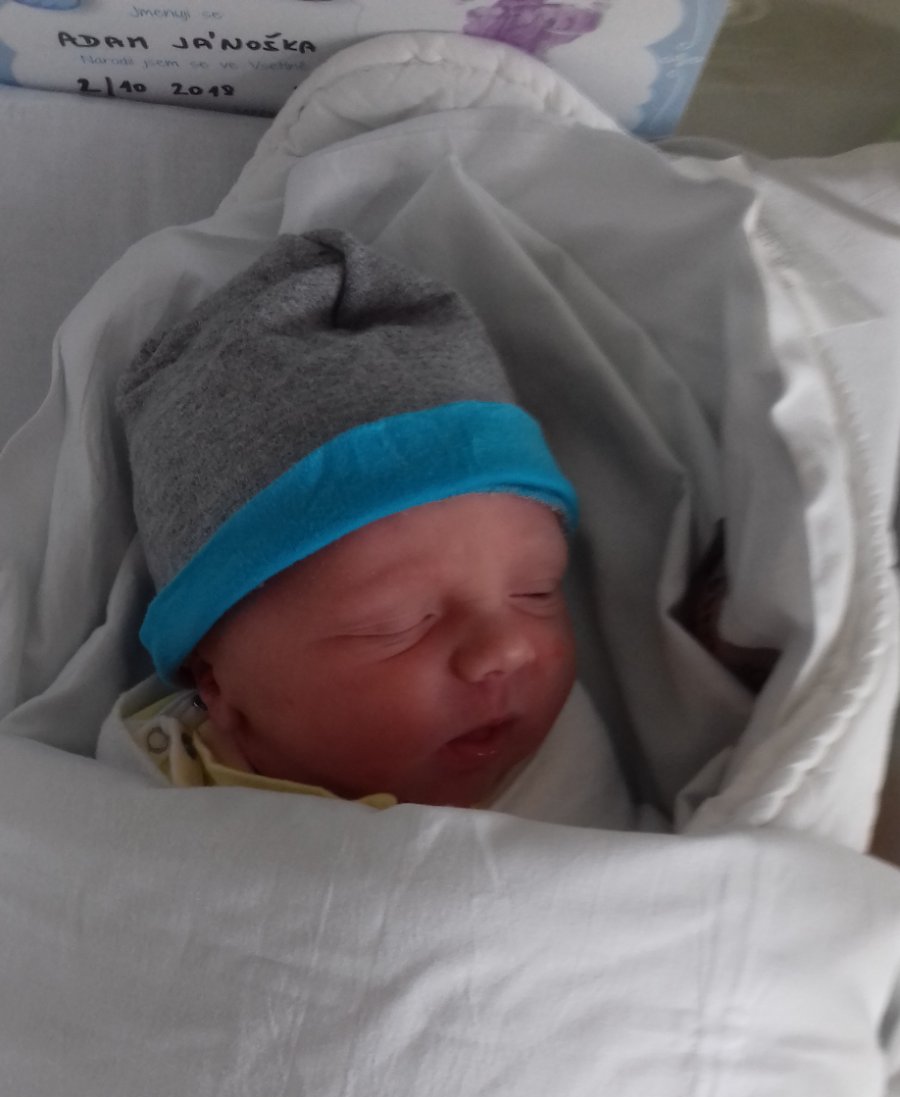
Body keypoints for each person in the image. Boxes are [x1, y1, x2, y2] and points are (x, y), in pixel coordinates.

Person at [96, 228, 636, 829]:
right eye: (395, 624)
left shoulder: (566, 777)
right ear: (215, 682)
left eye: (537, 592)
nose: (506, 650)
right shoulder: (130, 815)